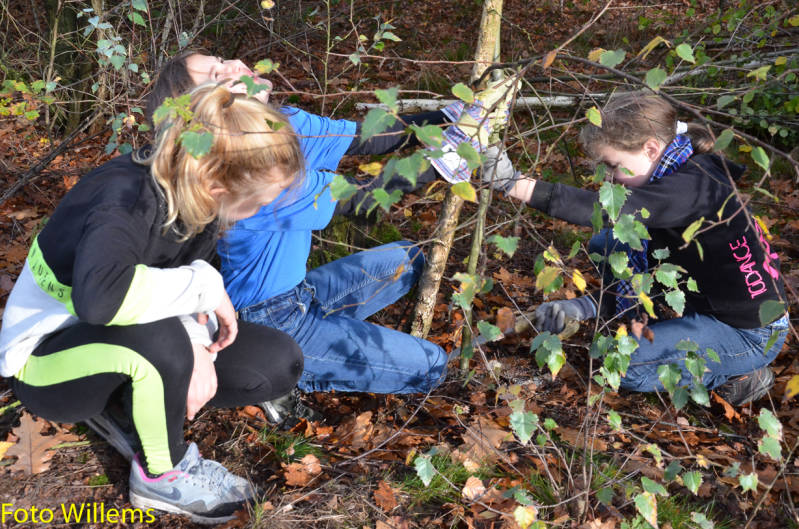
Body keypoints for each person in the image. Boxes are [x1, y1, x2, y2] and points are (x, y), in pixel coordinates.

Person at [146, 50, 519, 425]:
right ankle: (281, 378)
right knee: (433, 365)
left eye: (221, 58)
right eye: (217, 75)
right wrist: (451, 154)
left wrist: (452, 117)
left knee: (410, 258)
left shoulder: (282, 121)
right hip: (268, 321)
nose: (233, 65)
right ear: (209, 113)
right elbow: (362, 195)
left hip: (301, 293)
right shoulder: (243, 176)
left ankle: (326, 344)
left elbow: (365, 139)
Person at [0, 83, 306, 524]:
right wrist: (202, 289)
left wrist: (197, 344)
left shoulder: (194, 192)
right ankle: (162, 475)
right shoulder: (124, 198)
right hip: (47, 363)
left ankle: (133, 403)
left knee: (276, 363)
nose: (258, 211)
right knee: (160, 342)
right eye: (257, 203)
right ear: (217, 183)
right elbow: (101, 301)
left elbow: (185, 279)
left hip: (128, 339)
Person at [483, 91, 789, 406]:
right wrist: (582, 308)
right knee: (607, 244)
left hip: (749, 333)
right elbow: (655, 275)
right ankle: (663, 330)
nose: (611, 178)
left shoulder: (694, 189)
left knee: (623, 365)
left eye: (614, 165)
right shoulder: (674, 174)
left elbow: (611, 209)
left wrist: (514, 184)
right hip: (708, 297)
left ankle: (739, 375)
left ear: (651, 148)